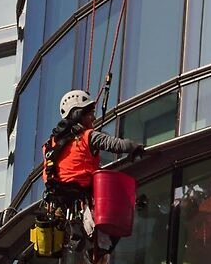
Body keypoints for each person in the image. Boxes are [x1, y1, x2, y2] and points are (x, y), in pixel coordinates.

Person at [40, 89, 144, 231]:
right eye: (90, 114)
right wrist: (136, 146)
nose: (94, 118)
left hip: (57, 200)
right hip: (81, 196)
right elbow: (116, 145)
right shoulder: (88, 136)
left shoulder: (49, 145)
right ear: (78, 115)